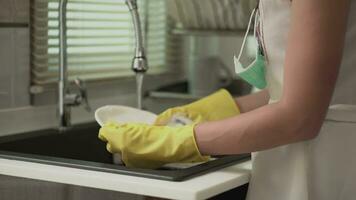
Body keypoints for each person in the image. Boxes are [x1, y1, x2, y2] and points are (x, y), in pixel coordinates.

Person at [99, 0, 356, 199]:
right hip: (290, 160)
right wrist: (212, 111)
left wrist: (178, 141)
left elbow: (301, 116)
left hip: (327, 165)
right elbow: (291, 90)